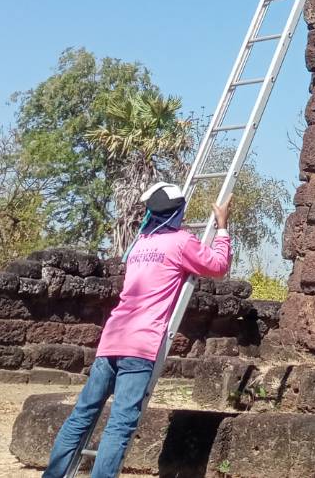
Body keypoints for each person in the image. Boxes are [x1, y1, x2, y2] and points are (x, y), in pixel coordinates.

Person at [41, 183, 232, 478]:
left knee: (82, 414)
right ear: (179, 212)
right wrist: (222, 228)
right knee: (120, 423)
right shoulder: (181, 242)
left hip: (112, 338)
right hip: (141, 345)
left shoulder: (139, 245)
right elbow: (218, 266)